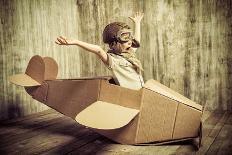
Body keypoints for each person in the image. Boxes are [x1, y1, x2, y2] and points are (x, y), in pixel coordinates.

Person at [55, 12, 144, 90]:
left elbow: (137, 41)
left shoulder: (129, 54)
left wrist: (137, 23)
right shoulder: (113, 61)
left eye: (130, 37)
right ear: (113, 44)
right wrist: (76, 42)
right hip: (131, 97)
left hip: (142, 93)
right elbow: (98, 50)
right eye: (125, 38)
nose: (130, 42)